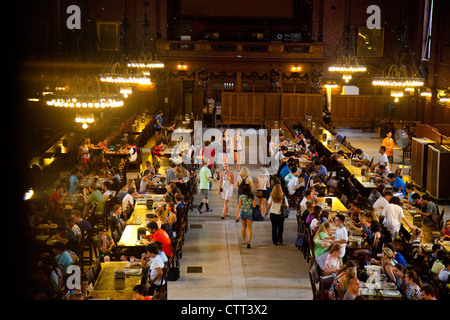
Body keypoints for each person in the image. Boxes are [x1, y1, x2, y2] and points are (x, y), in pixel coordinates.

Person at [236, 183, 256, 248]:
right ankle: (249, 242)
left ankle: (244, 241)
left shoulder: (241, 196)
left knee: (244, 227)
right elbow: (254, 205)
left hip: (242, 212)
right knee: (249, 228)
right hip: (249, 212)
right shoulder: (252, 196)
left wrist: (237, 214)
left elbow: (239, 205)